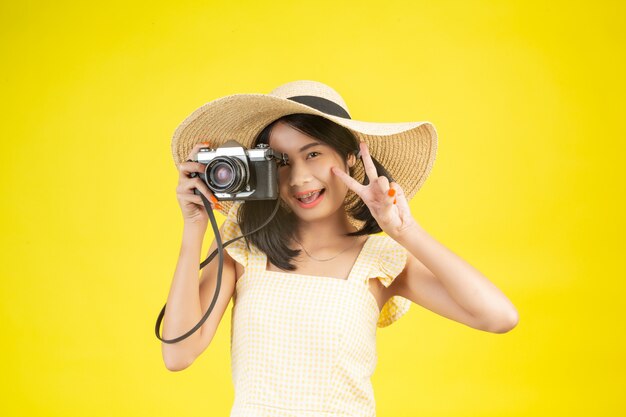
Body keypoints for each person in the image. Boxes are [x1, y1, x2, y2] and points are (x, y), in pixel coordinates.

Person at [160, 80, 519, 416]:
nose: (299, 177)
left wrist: (405, 230)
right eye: (281, 161)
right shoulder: (244, 246)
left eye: (313, 154)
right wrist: (195, 226)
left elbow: (499, 317)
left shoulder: (381, 260)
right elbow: (178, 353)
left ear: (349, 156)